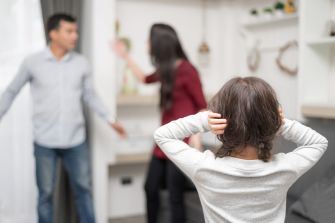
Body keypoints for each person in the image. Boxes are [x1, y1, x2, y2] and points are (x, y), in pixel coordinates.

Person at [0, 13, 126, 223]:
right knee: (46, 194)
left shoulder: (81, 63)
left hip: (75, 141)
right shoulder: (32, 62)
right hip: (44, 141)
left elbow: (90, 96)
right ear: (53, 33)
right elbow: (11, 91)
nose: (74, 36)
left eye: (75, 31)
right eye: (69, 31)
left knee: (83, 191)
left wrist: (111, 119)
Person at [154, 76, 328, 223]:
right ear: (270, 122)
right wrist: (282, 124)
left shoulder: (203, 167)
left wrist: (203, 121)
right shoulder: (283, 169)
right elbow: (318, 143)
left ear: (221, 121)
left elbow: (163, 135)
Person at [113, 23, 207, 223]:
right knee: (150, 187)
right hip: (163, 140)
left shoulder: (188, 70)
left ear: (160, 44)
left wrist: (196, 138)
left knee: (174, 195)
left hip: (182, 141)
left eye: (149, 40)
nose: (147, 44)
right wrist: (125, 56)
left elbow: (202, 107)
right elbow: (145, 79)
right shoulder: (166, 70)